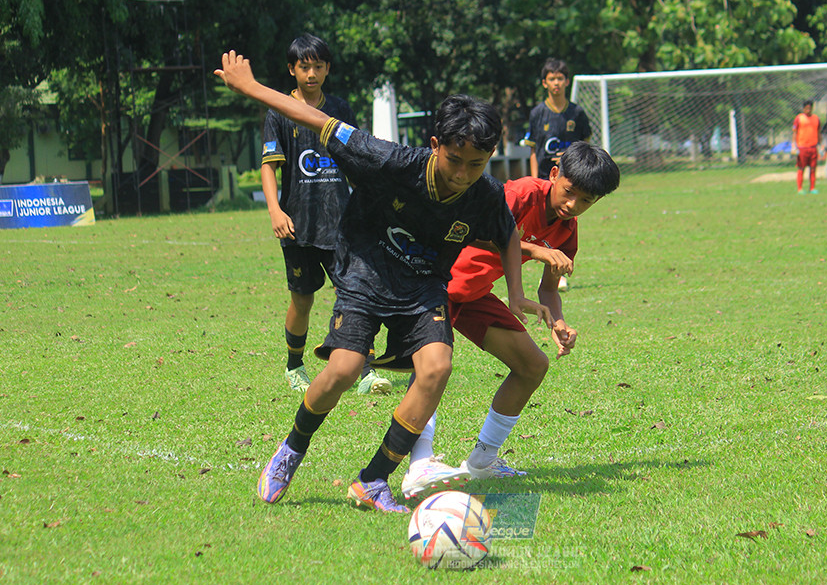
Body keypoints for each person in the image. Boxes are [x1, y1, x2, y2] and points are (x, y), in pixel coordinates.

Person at [214, 50, 552, 513]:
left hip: (424, 288)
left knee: (436, 368)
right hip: (365, 275)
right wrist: (251, 88)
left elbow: (507, 233)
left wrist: (516, 293)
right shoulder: (388, 160)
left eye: (476, 164)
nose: (462, 174)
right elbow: (318, 120)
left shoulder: (485, 194)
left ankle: (373, 481)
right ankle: (292, 447)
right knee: (343, 370)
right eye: (454, 160)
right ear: (435, 144)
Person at [400, 141, 621, 499]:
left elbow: (548, 289)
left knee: (532, 365)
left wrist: (558, 323)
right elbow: (471, 229)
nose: (572, 205)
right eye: (569, 192)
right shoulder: (520, 194)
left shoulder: (567, 229)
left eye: (585, 201)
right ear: (554, 174)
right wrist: (535, 249)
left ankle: (483, 460)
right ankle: (419, 464)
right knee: (433, 369)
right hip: (435, 284)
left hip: (471, 294)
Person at [260, 34, 390, 395]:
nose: (312, 73)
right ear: (292, 69)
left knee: (356, 296)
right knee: (302, 300)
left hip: (343, 225)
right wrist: (275, 210)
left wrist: (371, 203)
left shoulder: (340, 110)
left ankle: (366, 371)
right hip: (298, 225)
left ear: (328, 68)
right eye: (305, 67)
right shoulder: (279, 111)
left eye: (318, 66)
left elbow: (356, 159)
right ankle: (294, 366)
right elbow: (269, 166)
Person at [524, 58, 592, 291]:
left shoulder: (577, 113)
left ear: (567, 81)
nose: (556, 83)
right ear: (545, 83)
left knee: (565, 225)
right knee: (541, 226)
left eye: (560, 78)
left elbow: (586, 147)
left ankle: (557, 273)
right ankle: (546, 266)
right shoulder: (537, 113)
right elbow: (533, 150)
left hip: (571, 182)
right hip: (546, 179)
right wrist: (535, 179)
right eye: (552, 79)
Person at [793, 100, 823, 194]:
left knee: (813, 168)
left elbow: (819, 133)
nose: (808, 110)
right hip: (802, 147)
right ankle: (800, 189)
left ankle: (812, 188)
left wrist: (821, 145)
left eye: (810, 108)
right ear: (803, 109)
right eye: (806, 108)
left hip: (813, 147)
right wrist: (794, 145)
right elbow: (795, 132)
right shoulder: (799, 118)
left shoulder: (816, 119)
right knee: (801, 168)